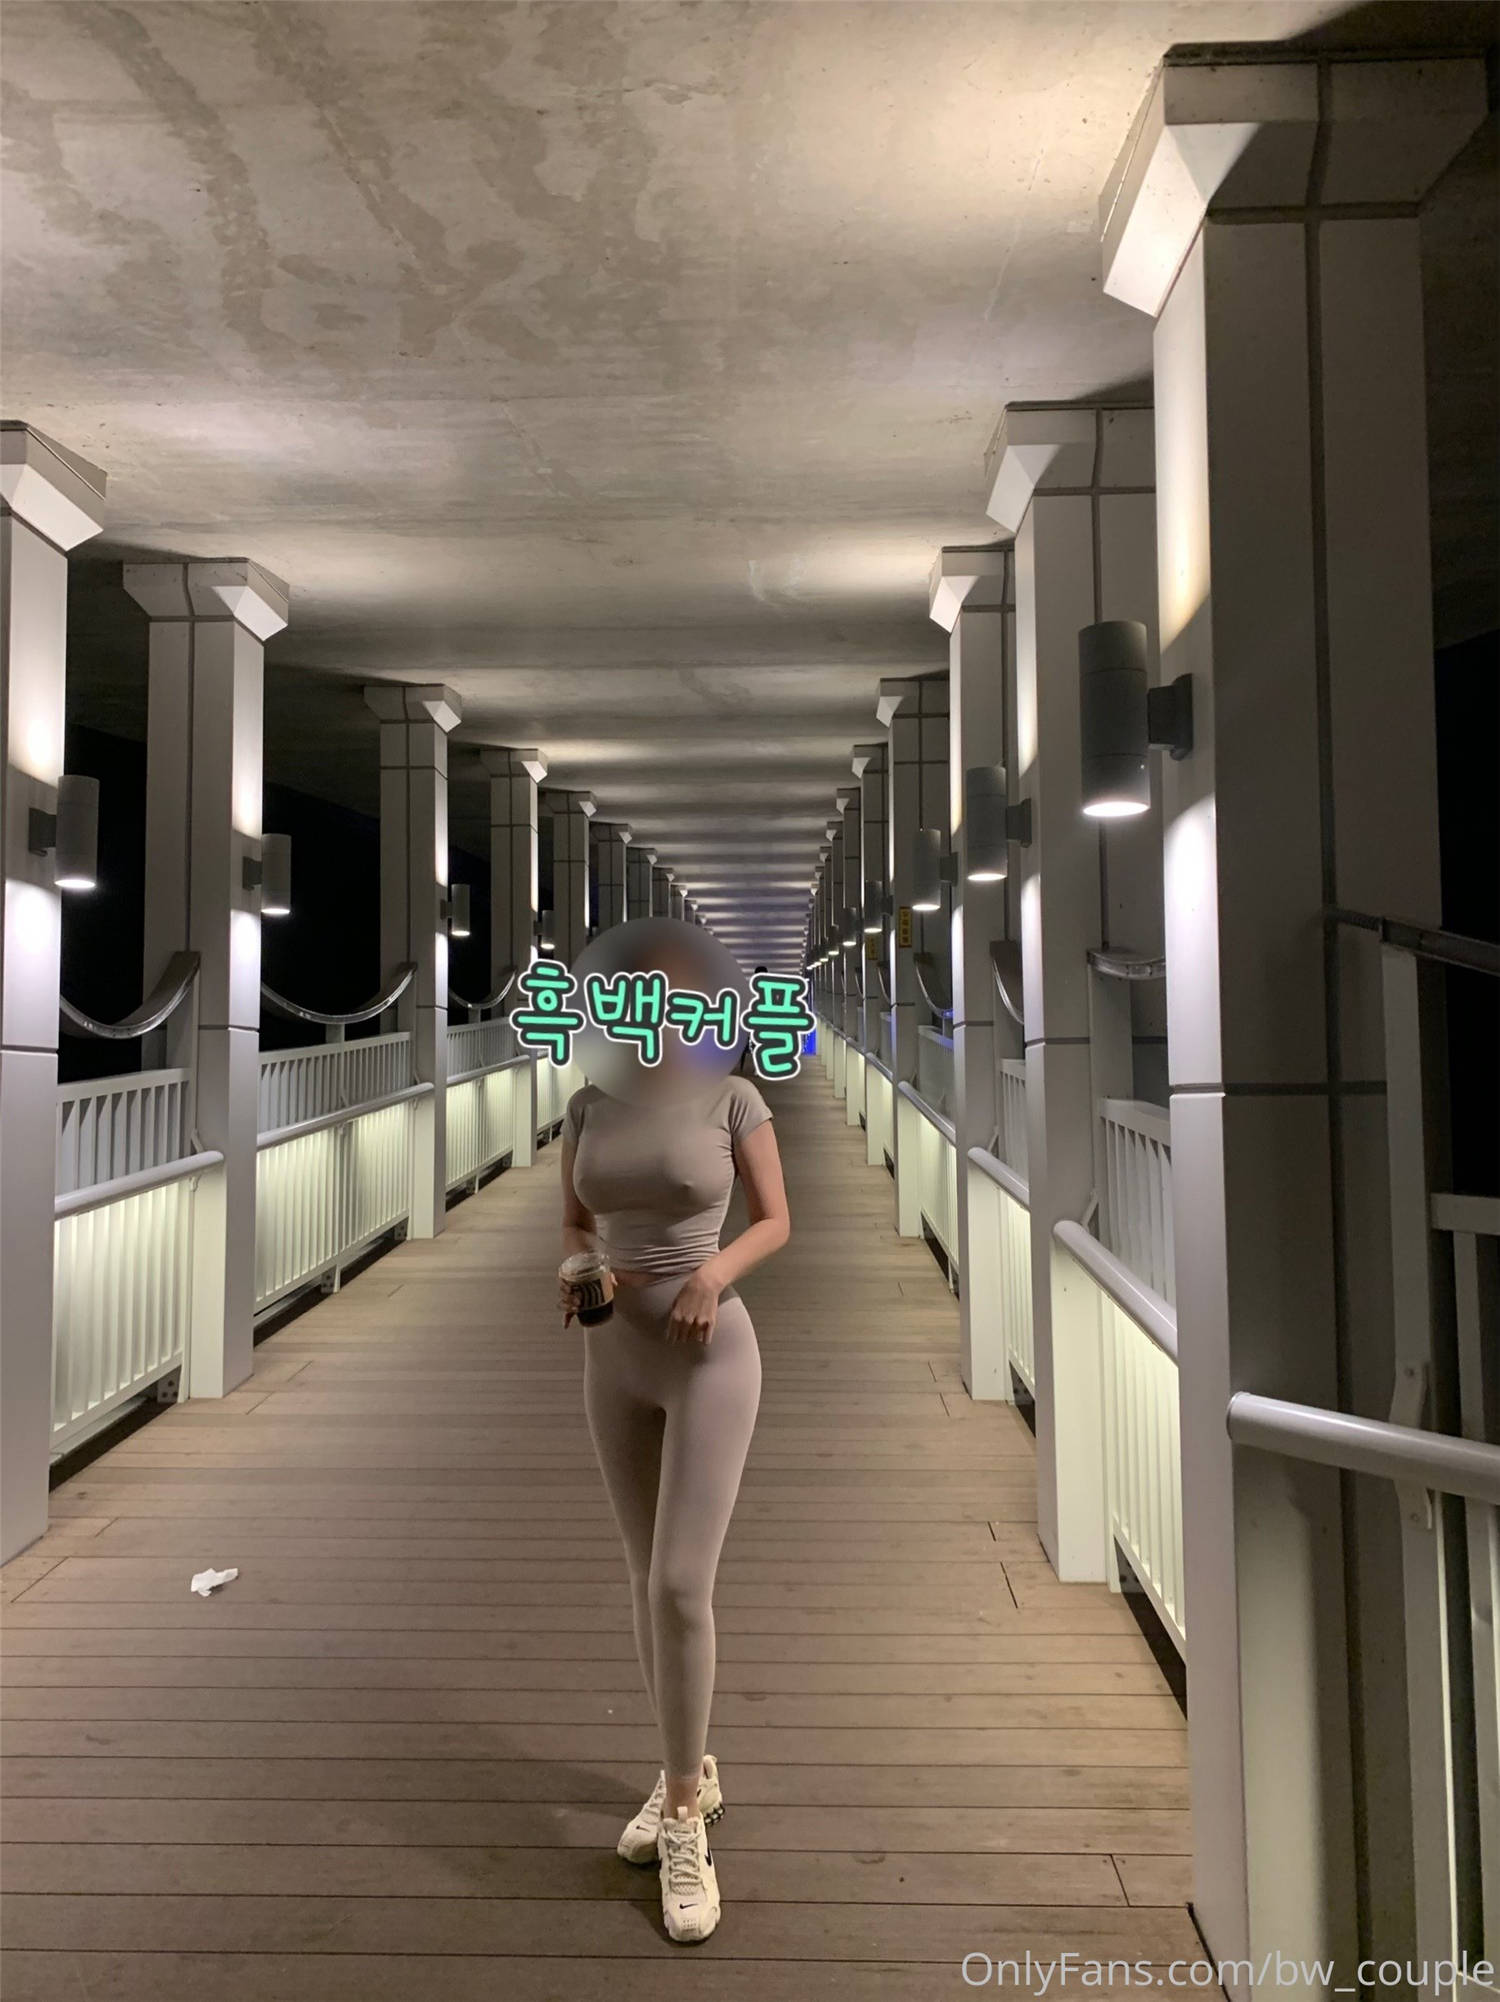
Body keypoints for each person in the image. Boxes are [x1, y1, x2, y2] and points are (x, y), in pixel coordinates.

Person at [558, 1060, 790, 1943]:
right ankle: (684, 1766)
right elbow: (576, 1220)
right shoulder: (587, 1105)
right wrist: (578, 1265)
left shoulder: (732, 1098)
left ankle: (686, 1818)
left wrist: (711, 1274)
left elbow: (775, 1219)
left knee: (680, 1583)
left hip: (709, 1354)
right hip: (611, 1356)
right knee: (641, 1572)